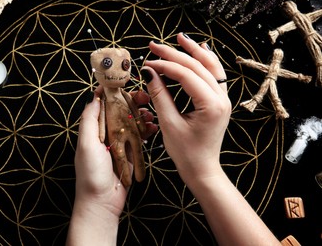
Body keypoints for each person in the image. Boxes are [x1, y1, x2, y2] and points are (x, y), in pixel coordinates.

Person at [66, 33, 281, 246]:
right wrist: (97, 204)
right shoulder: (112, 97)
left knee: (137, 156)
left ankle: (136, 172)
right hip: (120, 140)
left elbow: (131, 109)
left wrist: (95, 207)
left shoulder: (123, 97)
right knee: (126, 155)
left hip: (127, 135)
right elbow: (105, 119)